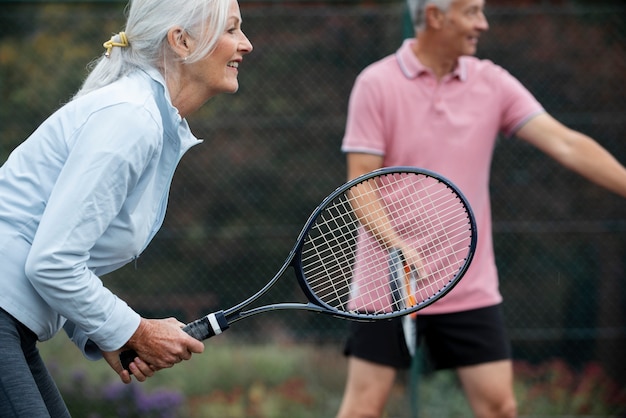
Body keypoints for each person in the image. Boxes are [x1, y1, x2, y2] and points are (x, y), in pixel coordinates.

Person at [335, 0, 626, 417]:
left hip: (468, 284)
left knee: (500, 408)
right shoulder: (376, 83)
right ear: (435, 16)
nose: (482, 24)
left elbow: (566, 143)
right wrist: (396, 244)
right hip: (389, 285)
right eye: (471, 12)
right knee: (363, 409)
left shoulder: (493, 82)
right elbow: (360, 184)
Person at [0, 0, 252, 415]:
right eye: (231, 29)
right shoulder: (132, 119)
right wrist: (135, 328)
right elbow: (52, 262)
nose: (246, 44)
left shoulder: (145, 117)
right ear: (181, 41)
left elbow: (53, 250)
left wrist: (108, 334)